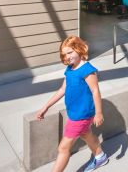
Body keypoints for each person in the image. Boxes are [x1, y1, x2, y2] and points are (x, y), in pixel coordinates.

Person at [36, 36, 108, 172]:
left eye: (70, 52)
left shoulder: (87, 69)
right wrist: (46, 106)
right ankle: (100, 157)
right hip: (74, 112)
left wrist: (99, 113)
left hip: (81, 115)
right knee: (86, 134)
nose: (67, 57)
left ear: (79, 49)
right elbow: (63, 89)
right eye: (64, 54)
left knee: (63, 148)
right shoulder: (70, 69)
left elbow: (95, 91)